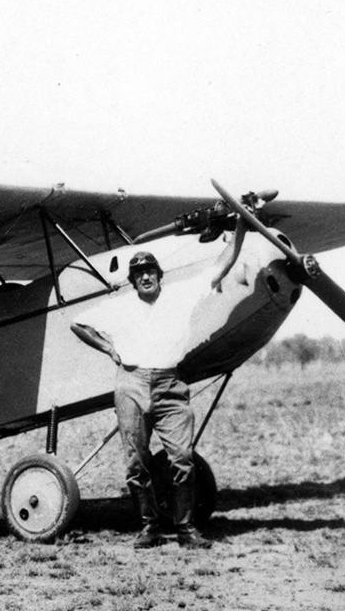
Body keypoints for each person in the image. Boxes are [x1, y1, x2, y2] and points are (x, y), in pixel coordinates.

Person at [71, 221, 245, 549]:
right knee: (136, 463)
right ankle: (149, 527)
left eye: (150, 271)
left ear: (159, 274)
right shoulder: (120, 306)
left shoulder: (182, 295)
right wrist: (109, 348)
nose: (145, 277)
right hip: (131, 384)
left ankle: (185, 530)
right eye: (138, 274)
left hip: (171, 384)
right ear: (133, 280)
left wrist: (242, 227)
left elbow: (224, 262)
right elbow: (77, 323)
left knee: (181, 457)